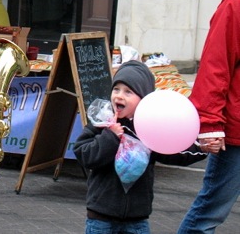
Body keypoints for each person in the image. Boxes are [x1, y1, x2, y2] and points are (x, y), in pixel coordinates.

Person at [74, 60, 206, 234]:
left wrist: (202, 148)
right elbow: (85, 154)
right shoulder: (103, 122)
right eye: (116, 89)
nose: (119, 96)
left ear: (143, 99)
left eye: (128, 92)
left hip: (137, 218)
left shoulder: (148, 127)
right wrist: (111, 136)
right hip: (101, 216)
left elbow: (172, 152)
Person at [177, 0, 240, 234]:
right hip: (237, 131)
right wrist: (210, 123)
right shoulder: (235, 4)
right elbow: (215, 66)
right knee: (208, 215)